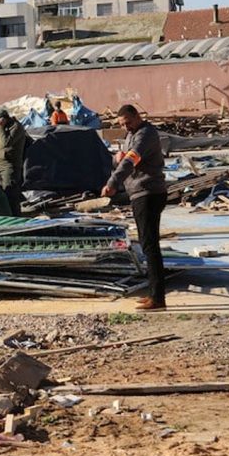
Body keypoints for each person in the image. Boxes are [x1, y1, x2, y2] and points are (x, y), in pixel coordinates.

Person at [101, 104, 167, 311]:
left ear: (137, 116)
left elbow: (131, 159)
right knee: (148, 244)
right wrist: (116, 159)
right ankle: (153, 294)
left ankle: (157, 297)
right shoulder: (133, 134)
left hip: (148, 192)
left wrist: (112, 183)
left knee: (150, 245)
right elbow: (122, 158)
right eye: (122, 124)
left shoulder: (145, 134)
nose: (126, 127)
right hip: (139, 192)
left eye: (128, 122)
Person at [0, 109, 27, 216]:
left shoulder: (16, 127)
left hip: (8, 167)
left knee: (10, 195)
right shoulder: (4, 129)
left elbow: (6, 143)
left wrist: (0, 127)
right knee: (1, 196)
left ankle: (16, 219)